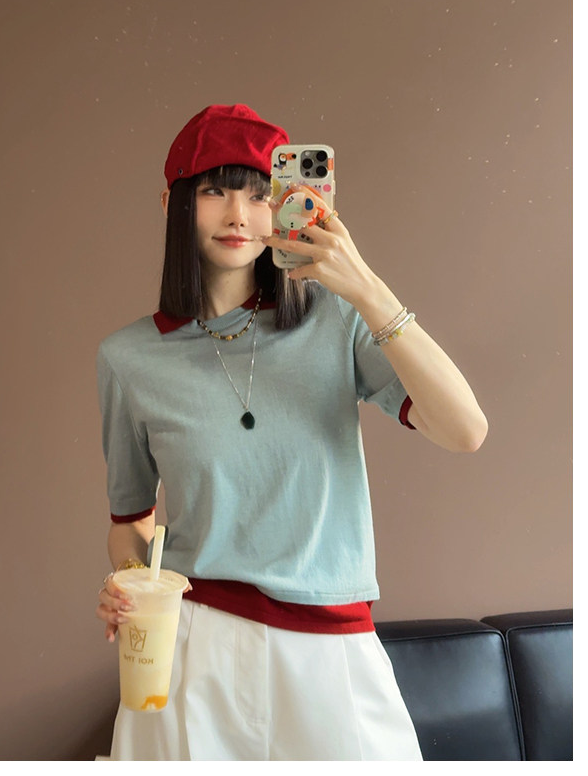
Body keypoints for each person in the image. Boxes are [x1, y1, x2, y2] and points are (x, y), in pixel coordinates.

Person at [96, 104, 487, 761]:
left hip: (331, 649)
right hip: (194, 647)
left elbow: (465, 429)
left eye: (258, 194)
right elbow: (130, 522)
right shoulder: (128, 359)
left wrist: (368, 290)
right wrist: (130, 585)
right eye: (215, 191)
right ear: (173, 204)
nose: (238, 215)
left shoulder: (337, 321)